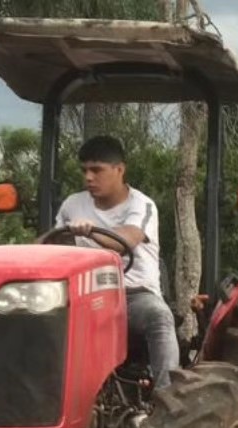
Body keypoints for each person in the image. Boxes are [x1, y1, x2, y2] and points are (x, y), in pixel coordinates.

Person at [55, 136, 180, 388]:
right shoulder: (73, 204)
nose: (88, 177)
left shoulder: (141, 205)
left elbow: (127, 240)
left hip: (132, 296)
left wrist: (91, 231)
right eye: (84, 171)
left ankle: (167, 395)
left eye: (96, 170)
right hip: (83, 296)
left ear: (119, 170)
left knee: (158, 316)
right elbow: (49, 246)